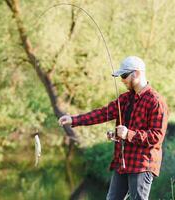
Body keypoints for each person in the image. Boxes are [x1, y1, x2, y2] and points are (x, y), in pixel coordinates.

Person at [58, 56, 168, 200]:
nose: (122, 80)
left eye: (124, 75)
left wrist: (128, 133)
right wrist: (74, 119)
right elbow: (103, 113)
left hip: (142, 164)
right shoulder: (125, 99)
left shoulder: (156, 102)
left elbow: (156, 137)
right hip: (122, 162)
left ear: (136, 73)